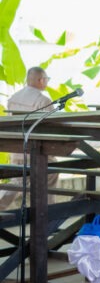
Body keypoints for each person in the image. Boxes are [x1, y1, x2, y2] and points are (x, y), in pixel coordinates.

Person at [0, 66, 59, 209]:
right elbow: (51, 127)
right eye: (46, 79)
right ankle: (46, 212)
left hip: (16, 150)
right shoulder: (43, 100)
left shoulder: (13, 98)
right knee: (52, 171)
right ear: (41, 80)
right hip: (37, 151)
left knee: (18, 181)